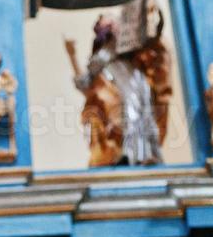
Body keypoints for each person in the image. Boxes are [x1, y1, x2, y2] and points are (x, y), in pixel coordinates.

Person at [65, 14, 169, 167]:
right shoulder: (101, 61)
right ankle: (129, 155)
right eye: (108, 21)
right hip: (117, 101)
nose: (113, 23)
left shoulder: (134, 59)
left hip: (134, 83)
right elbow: (84, 84)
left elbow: (153, 40)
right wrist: (72, 54)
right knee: (128, 114)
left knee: (142, 115)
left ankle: (145, 154)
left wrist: (152, 11)